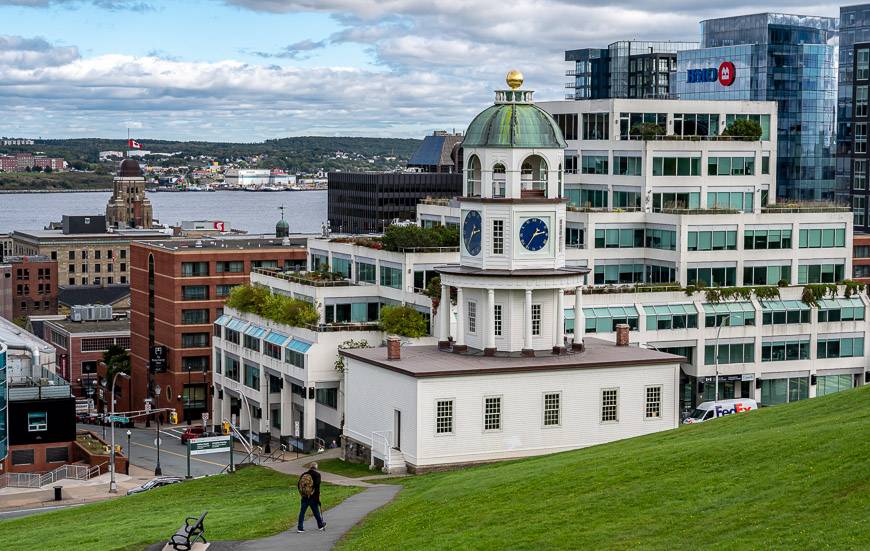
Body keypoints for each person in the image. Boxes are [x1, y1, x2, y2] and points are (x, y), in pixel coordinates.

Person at [297, 462, 326, 533]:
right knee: (316, 512)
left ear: (310, 467)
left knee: (302, 512)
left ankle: (300, 528)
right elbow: (317, 486)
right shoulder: (317, 475)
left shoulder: (303, 474)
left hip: (304, 496)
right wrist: (318, 497)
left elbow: (299, 485)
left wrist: (302, 494)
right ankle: (320, 526)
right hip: (313, 496)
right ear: (316, 468)